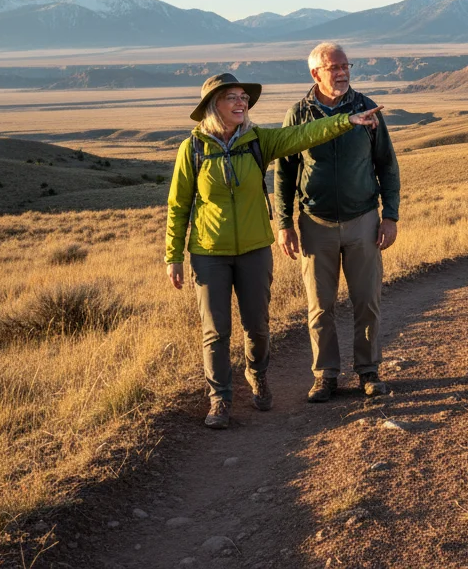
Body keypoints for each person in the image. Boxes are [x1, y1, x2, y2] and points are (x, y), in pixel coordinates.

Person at [165, 72, 383, 429]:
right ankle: (219, 399)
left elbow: (301, 135)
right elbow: (178, 206)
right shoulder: (193, 149)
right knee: (215, 330)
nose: (241, 103)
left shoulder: (258, 141)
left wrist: (346, 120)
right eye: (231, 98)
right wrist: (173, 255)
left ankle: (258, 375)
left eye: (243, 97)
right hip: (208, 252)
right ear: (212, 107)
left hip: (254, 250)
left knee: (258, 328)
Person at [276, 43, 400, 402]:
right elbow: (284, 174)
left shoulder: (367, 110)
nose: (343, 73)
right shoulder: (298, 115)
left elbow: (387, 166)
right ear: (315, 73)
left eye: (346, 65)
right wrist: (284, 223)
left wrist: (389, 216)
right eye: (334, 67)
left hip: (363, 220)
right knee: (320, 304)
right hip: (315, 224)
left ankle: (369, 371)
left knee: (367, 300)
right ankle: (325, 375)